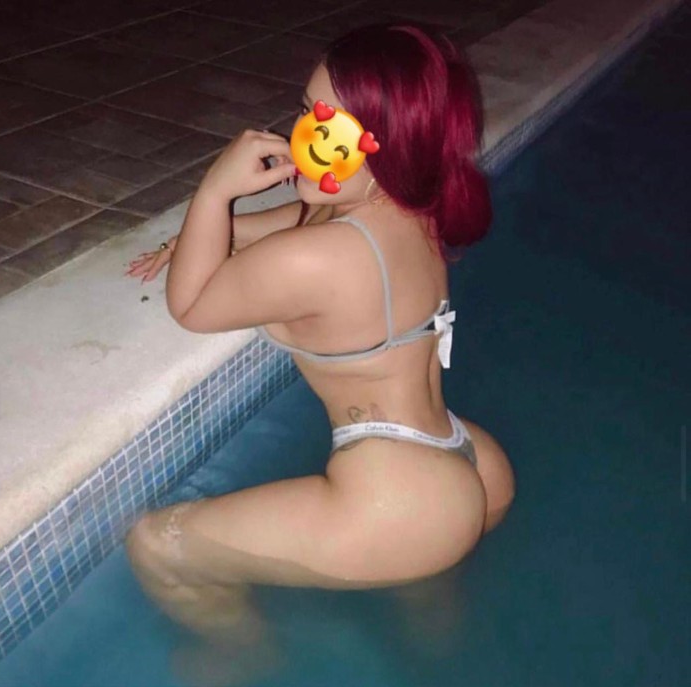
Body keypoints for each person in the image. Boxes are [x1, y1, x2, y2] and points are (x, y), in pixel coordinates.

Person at [123, 23, 515, 642]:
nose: (301, 132)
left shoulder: (319, 260)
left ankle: (241, 658)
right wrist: (210, 235)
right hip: (466, 462)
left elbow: (192, 303)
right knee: (431, 629)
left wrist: (217, 191)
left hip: (401, 501)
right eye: (307, 111)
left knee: (156, 545)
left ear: (379, 145)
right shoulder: (414, 207)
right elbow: (306, 216)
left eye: (322, 122)